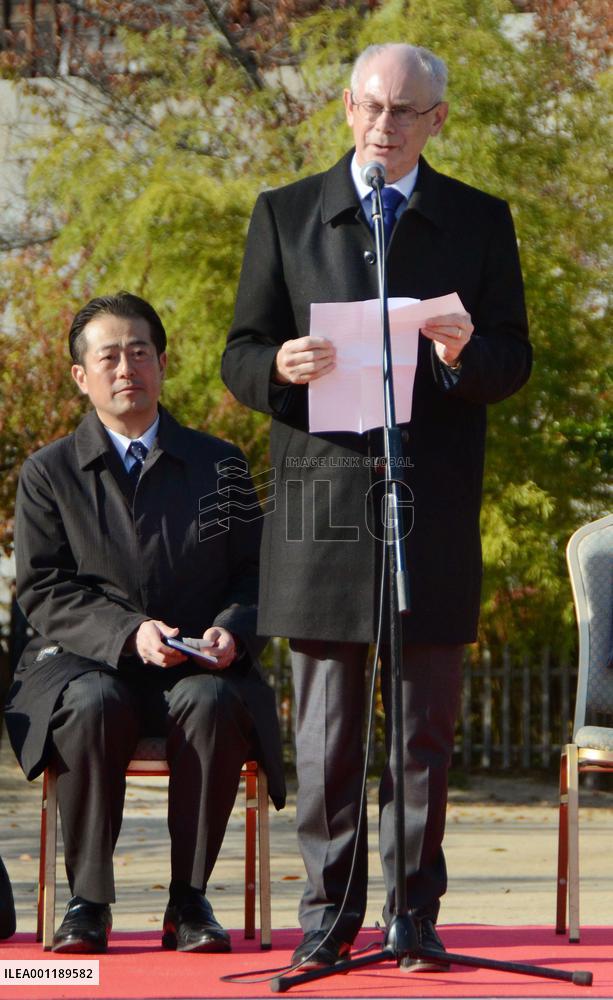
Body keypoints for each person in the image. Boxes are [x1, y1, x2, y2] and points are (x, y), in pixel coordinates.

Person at [222, 43, 531, 970]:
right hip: (322, 508)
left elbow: (512, 359)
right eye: (368, 105)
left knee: (422, 735)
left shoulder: (476, 219)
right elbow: (240, 352)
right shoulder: (285, 213)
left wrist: (463, 355)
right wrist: (277, 366)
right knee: (325, 737)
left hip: (428, 506)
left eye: (402, 111)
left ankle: (413, 914)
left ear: (437, 120)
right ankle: (326, 917)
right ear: (346, 108)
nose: (381, 125)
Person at [5, 292, 285, 954]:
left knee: (212, 703)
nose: (125, 367)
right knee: (93, 704)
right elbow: (43, 588)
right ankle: (87, 903)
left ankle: (188, 902)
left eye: (139, 352)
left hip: (197, 663)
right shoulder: (49, 473)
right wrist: (127, 634)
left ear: (162, 363)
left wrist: (232, 630)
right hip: (85, 665)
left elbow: (256, 574)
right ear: (81, 376)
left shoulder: (218, 464)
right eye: (108, 357)